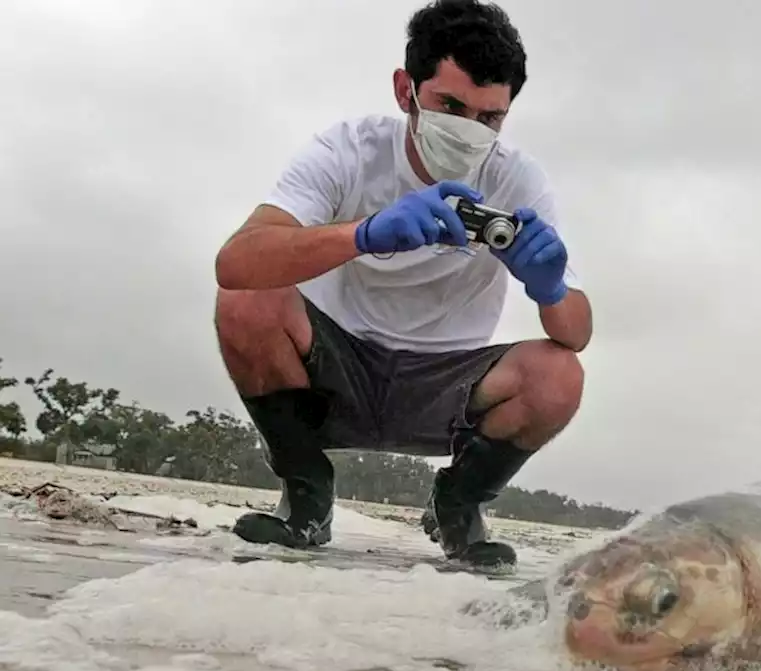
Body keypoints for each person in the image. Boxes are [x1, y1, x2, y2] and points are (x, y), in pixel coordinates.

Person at [212, 0, 590, 569]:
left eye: (490, 118)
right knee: (248, 298)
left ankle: (458, 504)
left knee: (559, 373)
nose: (469, 131)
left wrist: (550, 287)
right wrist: (362, 235)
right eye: (450, 106)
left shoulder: (516, 178)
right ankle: (305, 493)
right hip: (335, 366)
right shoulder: (348, 150)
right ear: (404, 90)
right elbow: (236, 263)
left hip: (445, 386)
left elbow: (576, 333)